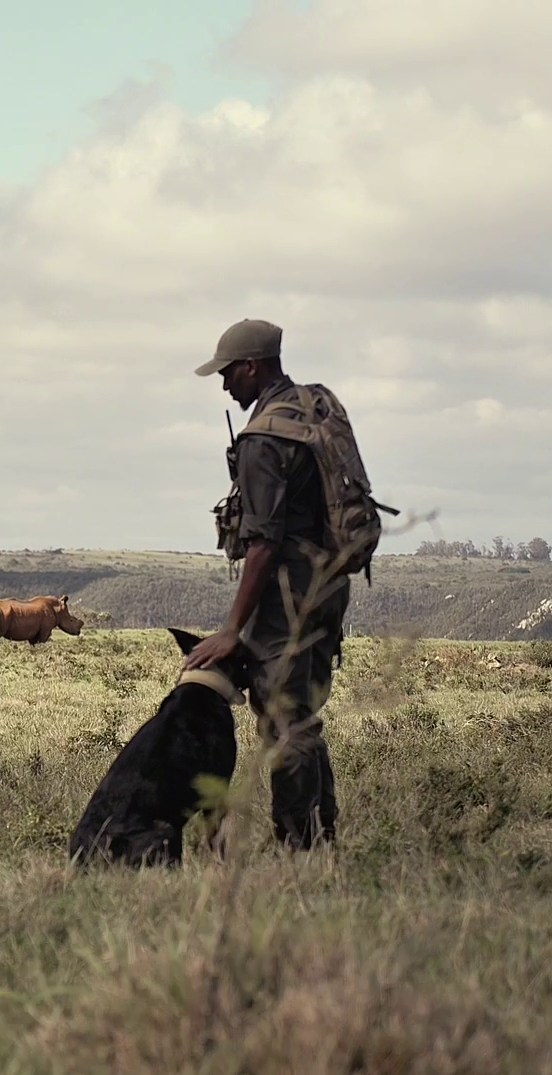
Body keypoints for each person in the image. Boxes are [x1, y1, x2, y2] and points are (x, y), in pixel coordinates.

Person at [183, 319, 347, 848]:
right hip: (327, 584)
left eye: (230, 373)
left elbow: (263, 542)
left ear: (253, 366)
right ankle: (320, 837)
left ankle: (299, 846)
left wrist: (233, 628)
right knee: (300, 712)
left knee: (281, 720)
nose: (226, 385)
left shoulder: (263, 438)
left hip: (285, 594)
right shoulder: (313, 410)